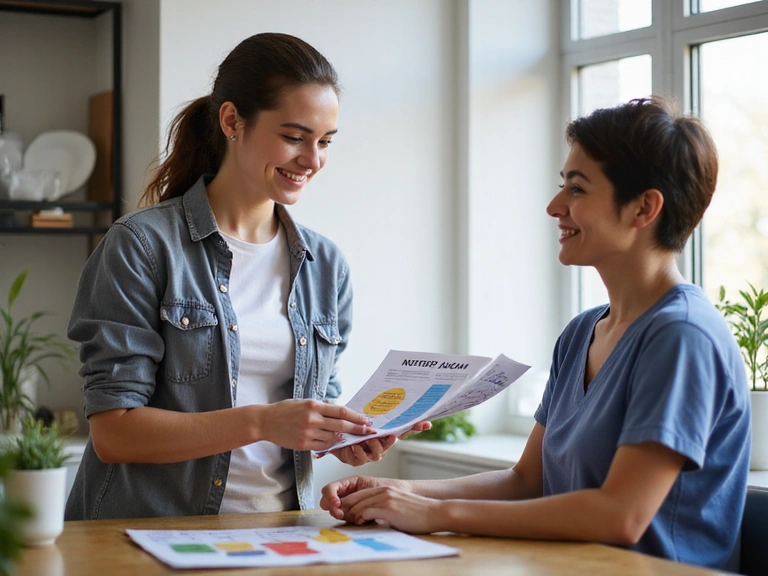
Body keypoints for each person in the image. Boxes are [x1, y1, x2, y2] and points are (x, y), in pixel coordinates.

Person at [320, 96, 751, 571]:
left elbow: (621, 515)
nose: (554, 206)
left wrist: (436, 513)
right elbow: (528, 479)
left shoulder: (682, 337)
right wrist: (400, 491)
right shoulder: (581, 333)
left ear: (644, 208)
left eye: (577, 189)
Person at [65, 32, 426, 521]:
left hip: (276, 534)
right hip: (149, 534)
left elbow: (309, 410)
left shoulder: (325, 265)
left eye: (324, 142)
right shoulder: (143, 246)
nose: (312, 160)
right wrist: (261, 422)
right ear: (232, 120)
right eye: (294, 137)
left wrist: (344, 438)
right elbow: (114, 432)